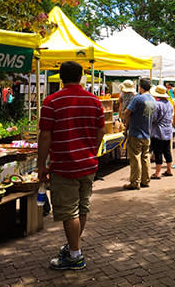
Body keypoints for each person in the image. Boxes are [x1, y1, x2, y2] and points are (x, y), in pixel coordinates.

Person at [38, 61, 105, 270]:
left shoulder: (51, 101)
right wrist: (91, 151)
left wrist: (41, 164)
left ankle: (75, 255)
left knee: (70, 212)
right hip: (88, 164)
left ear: (60, 77)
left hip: (64, 165)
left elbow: (45, 135)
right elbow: (101, 131)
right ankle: (72, 247)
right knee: (81, 208)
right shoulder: (94, 101)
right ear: (81, 76)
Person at [123, 78, 156, 190]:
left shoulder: (138, 99)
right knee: (145, 156)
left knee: (135, 157)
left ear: (140, 87)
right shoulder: (153, 99)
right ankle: (145, 180)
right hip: (147, 132)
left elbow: (127, 112)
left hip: (136, 132)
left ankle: (135, 182)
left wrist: (126, 122)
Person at [150, 85, 174, 179]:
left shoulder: (157, 105)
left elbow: (154, 118)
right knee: (167, 151)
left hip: (158, 131)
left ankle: (158, 172)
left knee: (158, 152)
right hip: (168, 130)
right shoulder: (169, 104)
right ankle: (169, 169)